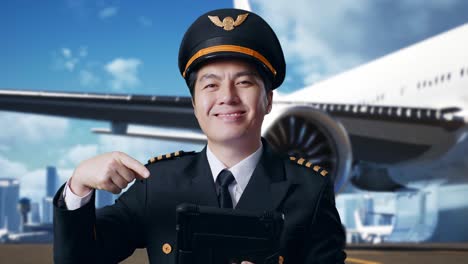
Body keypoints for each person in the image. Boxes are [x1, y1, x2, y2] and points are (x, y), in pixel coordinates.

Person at [53, 8, 346, 264]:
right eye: (210, 85)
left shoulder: (310, 190)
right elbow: (79, 259)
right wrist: (78, 186)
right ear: (194, 104)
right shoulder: (156, 184)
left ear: (268, 100)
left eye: (244, 82)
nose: (227, 97)